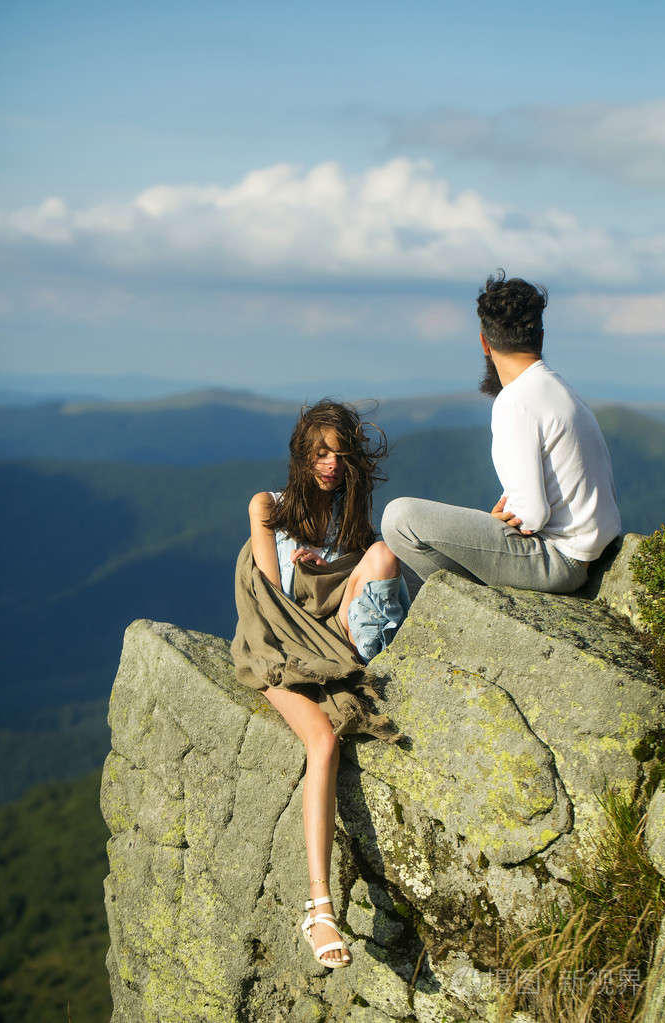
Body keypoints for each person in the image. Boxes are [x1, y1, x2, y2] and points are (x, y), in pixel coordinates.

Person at [231, 400, 409, 969]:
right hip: (279, 651)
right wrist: (309, 569)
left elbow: (352, 586)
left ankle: (376, 663)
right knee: (324, 742)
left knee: (384, 554)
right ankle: (320, 906)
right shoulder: (268, 508)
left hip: (335, 639)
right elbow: (273, 601)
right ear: (303, 454)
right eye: (320, 452)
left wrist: (332, 569)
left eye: (339, 453)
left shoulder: (350, 518)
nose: (330, 464)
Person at [381, 271, 621, 593]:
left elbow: (532, 515)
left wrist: (501, 519)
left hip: (557, 561)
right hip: (588, 554)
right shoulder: (563, 392)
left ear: (484, 341)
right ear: (541, 337)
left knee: (398, 518)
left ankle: (461, 606)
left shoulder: (515, 400)